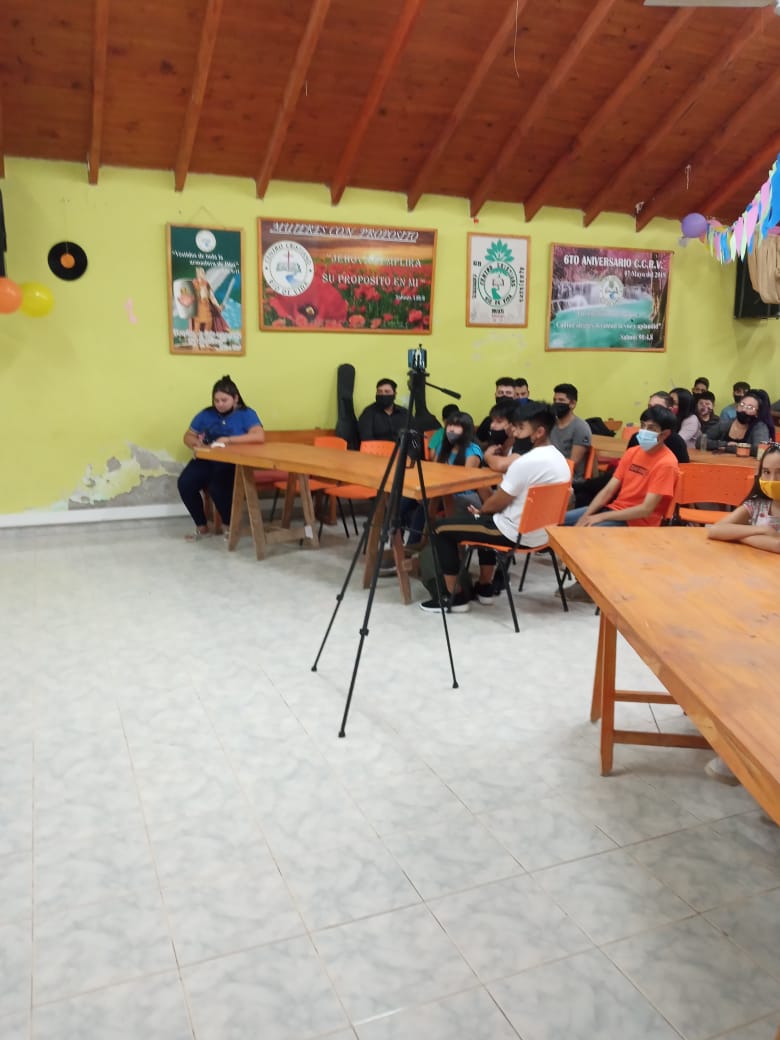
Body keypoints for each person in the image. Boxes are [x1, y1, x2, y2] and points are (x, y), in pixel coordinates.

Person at [420, 403, 570, 612]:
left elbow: (498, 502)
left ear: (539, 432)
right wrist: (484, 513)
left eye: (520, 428)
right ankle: (485, 588)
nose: (514, 433)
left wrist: (482, 511)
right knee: (483, 521)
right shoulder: (560, 459)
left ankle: (454, 598)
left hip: (513, 532)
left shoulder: (526, 462)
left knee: (440, 528)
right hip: (543, 534)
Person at [703, 445, 780, 784]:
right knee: (736, 661)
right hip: (750, 594)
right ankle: (729, 733)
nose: (772, 479)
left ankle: (753, 749)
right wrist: (759, 532)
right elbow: (716, 530)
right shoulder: (757, 506)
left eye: (779, 474)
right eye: (767, 473)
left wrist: (746, 537)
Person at [177, 375, 265, 537]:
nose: (220, 404)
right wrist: (196, 444)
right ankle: (201, 526)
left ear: (235, 398)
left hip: (232, 461)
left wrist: (229, 440)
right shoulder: (206, 414)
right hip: (208, 458)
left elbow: (259, 436)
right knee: (185, 483)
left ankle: (229, 524)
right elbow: (188, 436)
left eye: (224, 400)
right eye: (216, 400)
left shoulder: (246, 413)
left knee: (217, 487)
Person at [564, 405, 678, 527]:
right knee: (557, 519)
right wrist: (586, 516)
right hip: (614, 511)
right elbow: (608, 491)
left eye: (651, 428)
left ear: (664, 434)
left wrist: (599, 517)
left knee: (588, 530)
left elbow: (646, 509)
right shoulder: (632, 452)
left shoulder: (667, 463)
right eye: (643, 425)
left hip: (636, 522)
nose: (644, 430)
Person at [402, 411, 484, 548]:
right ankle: (398, 538)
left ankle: (415, 545)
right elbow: (434, 474)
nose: (451, 429)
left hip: (462, 496)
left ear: (466, 430)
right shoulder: (442, 447)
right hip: (439, 492)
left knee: (423, 508)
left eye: (456, 426)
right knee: (406, 500)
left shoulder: (473, 451)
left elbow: (464, 482)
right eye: (449, 425)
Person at [627, 392, 689, 464]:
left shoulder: (677, 443)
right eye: (649, 407)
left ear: (669, 411)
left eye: (658, 408)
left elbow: (683, 468)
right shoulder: (636, 438)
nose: (651, 411)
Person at [701, 390, 770, 454]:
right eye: (742, 405)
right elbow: (701, 441)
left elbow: (760, 450)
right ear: (736, 407)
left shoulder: (760, 427)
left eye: (750, 407)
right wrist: (725, 444)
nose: (743, 409)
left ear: (757, 413)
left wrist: (730, 448)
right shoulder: (725, 424)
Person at [550, 382, 592, 481]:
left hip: (571, 480)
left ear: (572, 404)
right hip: (550, 474)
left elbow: (572, 463)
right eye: (555, 400)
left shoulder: (580, 428)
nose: (556, 403)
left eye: (561, 400)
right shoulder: (550, 424)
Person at [357, 378, 408, 442]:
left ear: (395, 394)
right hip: (377, 447)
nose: (383, 394)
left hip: (402, 447)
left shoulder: (404, 413)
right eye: (380, 392)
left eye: (387, 392)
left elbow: (414, 436)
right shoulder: (368, 413)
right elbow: (366, 439)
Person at [476, 376, 517, 443]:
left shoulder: (521, 420)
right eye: (500, 393)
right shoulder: (488, 421)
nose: (504, 396)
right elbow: (478, 442)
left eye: (508, 393)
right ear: (495, 395)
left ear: (515, 396)